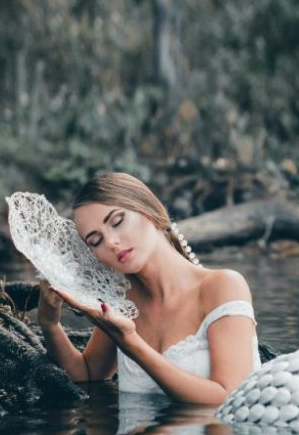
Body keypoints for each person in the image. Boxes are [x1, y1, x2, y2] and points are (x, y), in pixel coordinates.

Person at [36, 172, 261, 405]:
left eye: (117, 222)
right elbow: (88, 375)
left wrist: (130, 342)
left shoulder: (223, 286)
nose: (111, 242)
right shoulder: (122, 301)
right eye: (96, 241)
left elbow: (230, 397)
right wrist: (50, 324)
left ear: (149, 209)